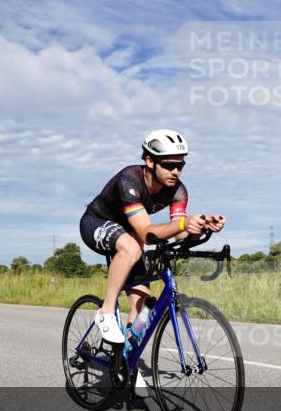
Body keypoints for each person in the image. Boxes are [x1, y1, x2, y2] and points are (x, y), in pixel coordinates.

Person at [80, 129, 225, 346]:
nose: (176, 171)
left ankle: (126, 365)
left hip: (129, 233)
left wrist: (202, 227)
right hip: (96, 222)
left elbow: (179, 233)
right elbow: (146, 234)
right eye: (169, 165)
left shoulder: (178, 191)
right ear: (150, 161)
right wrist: (183, 223)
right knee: (132, 247)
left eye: (180, 166)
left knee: (141, 306)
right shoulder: (129, 180)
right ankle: (106, 311)